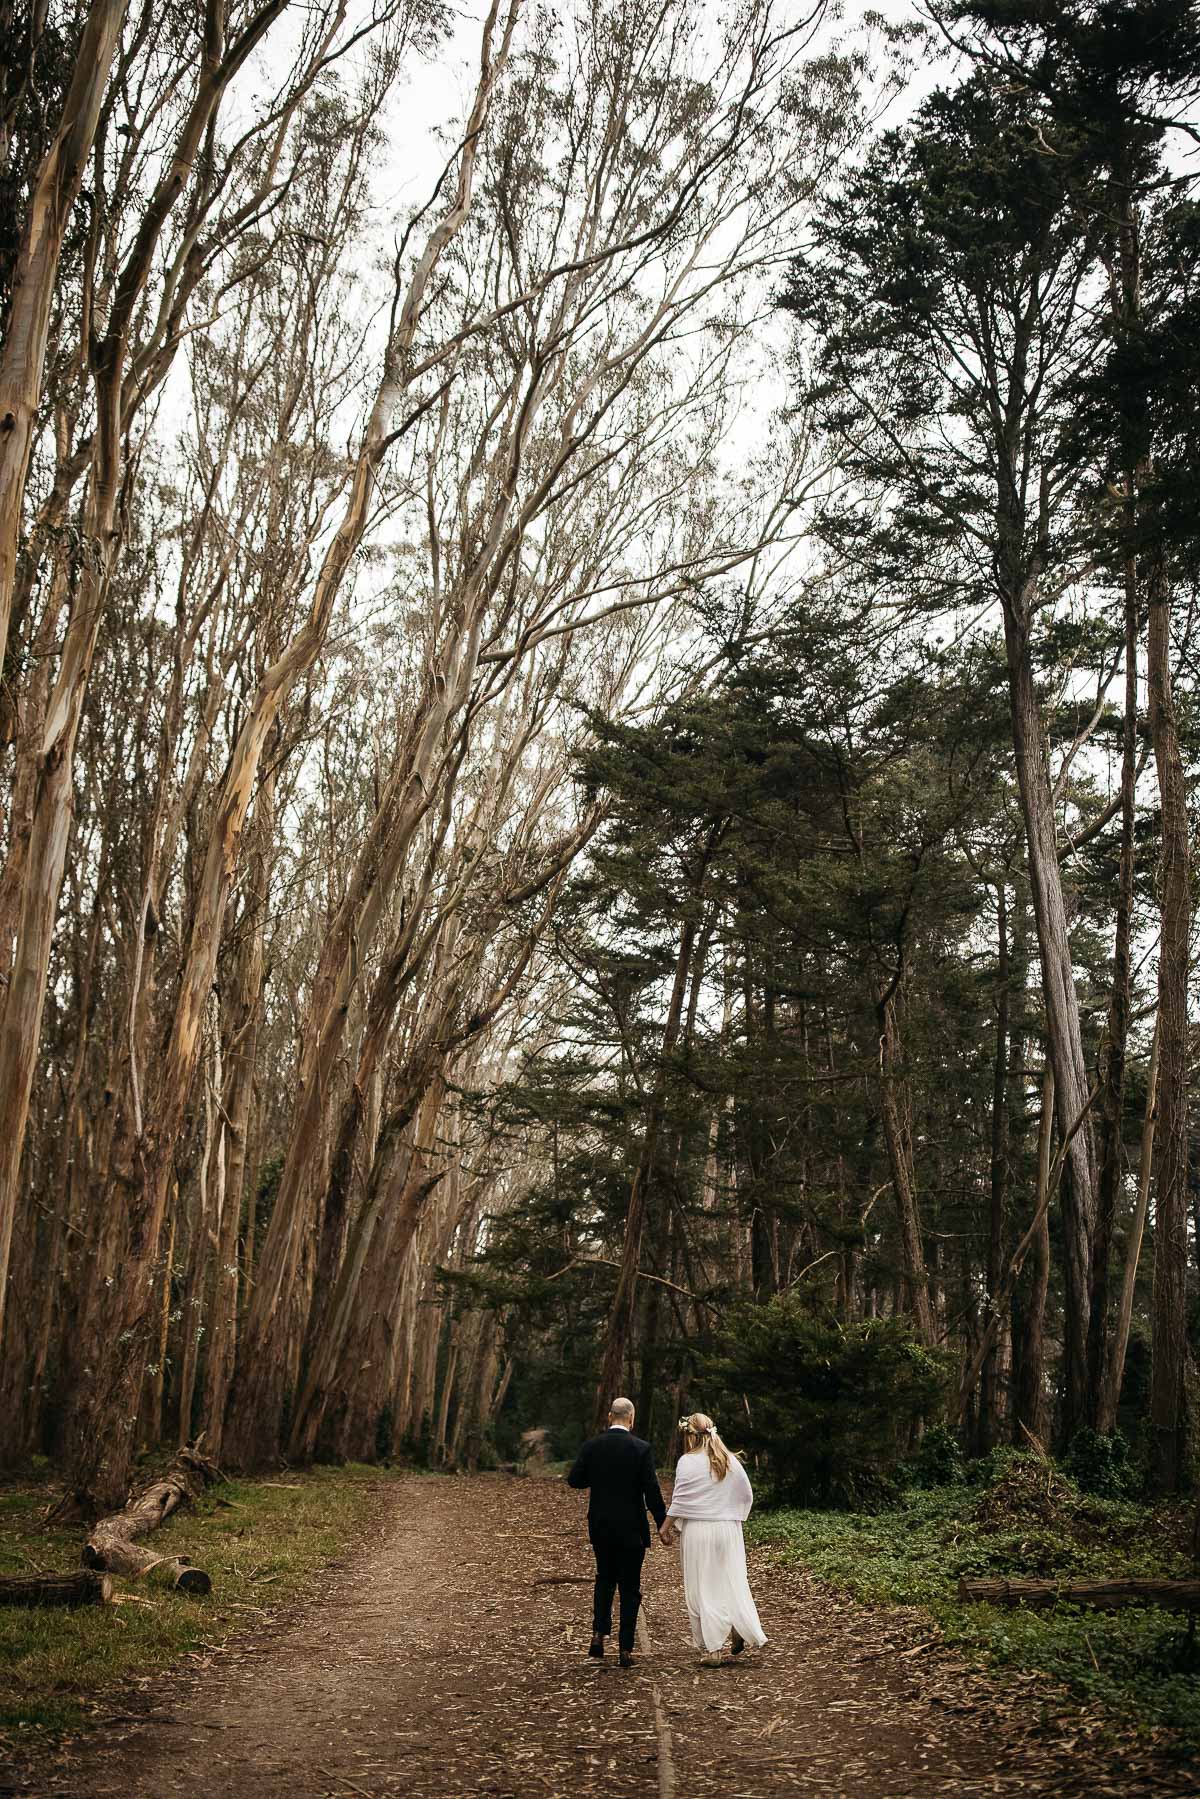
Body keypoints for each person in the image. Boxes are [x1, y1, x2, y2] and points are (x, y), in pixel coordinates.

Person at [659, 1410, 767, 1665]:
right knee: (730, 1580)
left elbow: (680, 1500)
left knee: (704, 1587)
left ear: (689, 1436)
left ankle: (713, 1649)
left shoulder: (687, 1461)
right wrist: (733, 1514)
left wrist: (665, 1527)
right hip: (728, 1530)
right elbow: (746, 1494)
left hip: (699, 1531)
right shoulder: (730, 1459)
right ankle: (737, 1628)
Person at [566, 1396, 666, 1667]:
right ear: (631, 1419)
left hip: (601, 1526)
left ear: (610, 1417)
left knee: (605, 1579)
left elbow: (574, 1480)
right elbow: (651, 1490)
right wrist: (662, 1524)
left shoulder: (592, 1446)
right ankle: (625, 1650)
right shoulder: (641, 1449)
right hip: (632, 1528)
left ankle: (598, 1634)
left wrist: (597, 1476)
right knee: (630, 1587)